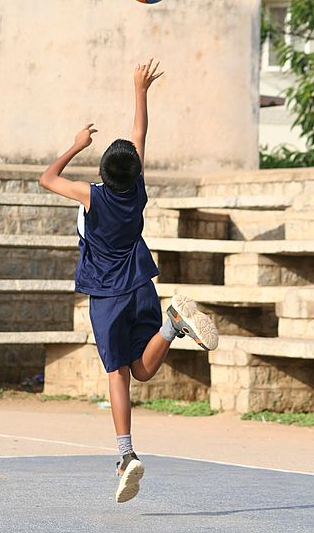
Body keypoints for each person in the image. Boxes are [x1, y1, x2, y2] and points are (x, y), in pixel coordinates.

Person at [39, 59, 218, 503]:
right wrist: (140, 90)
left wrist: (75, 145)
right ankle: (170, 323)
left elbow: (46, 178)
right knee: (142, 369)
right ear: (135, 172)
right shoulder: (137, 191)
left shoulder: (92, 195)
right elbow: (140, 134)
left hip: (106, 292)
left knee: (118, 374)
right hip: (140, 284)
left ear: (101, 172)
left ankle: (125, 454)